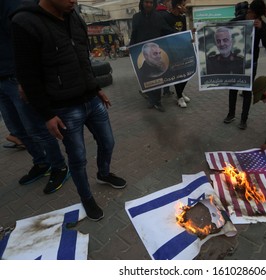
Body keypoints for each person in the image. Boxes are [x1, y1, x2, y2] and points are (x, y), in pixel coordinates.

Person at [11, 0, 127, 221]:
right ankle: (86, 197)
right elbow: (28, 76)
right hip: (64, 109)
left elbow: (83, 59)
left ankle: (103, 174)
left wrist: (97, 88)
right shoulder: (25, 22)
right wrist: (46, 114)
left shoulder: (73, 15)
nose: (73, 0)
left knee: (108, 142)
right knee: (78, 158)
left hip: (91, 99)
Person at [1, 0, 69, 194]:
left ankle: (59, 166)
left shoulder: (11, 5)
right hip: (1, 80)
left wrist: (24, 80)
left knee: (36, 129)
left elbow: (22, 45)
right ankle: (41, 162)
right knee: (17, 130)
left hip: (15, 78)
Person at [223, 0, 266, 130]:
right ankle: (231, 114)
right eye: (249, 11)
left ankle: (243, 119)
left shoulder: (261, 24)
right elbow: (224, 27)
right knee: (233, 89)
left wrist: (261, 28)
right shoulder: (241, 18)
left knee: (246, 92)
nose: (248, 14)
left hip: (251, 63)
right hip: (236, 61)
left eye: (252, 13)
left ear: (258, 15)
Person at [130, 0, 175, 112]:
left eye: (151, 2)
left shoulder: (158, 17)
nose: (148, 4)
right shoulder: (136, 17)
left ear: (154, 4)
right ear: (142, 3)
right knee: (146, 76)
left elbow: (167, 30)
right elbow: (134, 34)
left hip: (155, 52)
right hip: (143, 53)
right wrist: (131, 48)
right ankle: (151, 99)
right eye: (146, 2)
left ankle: (158, 101)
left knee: (158, 77)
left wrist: (183, 36)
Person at [162, 0, 191, 108]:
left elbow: (185, 33)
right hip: (171, 51)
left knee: (187, 72)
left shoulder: (183, 18)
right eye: (183, 5)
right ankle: (179, 97)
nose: (185, 7)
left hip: (182, 50)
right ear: (178, 6)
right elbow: (165, 31)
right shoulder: (166, 17)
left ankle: (180, 92)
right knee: (177, 74)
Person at [156, 0, 175, 97]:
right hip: (167, 47)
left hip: (155, 47)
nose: (170, 4)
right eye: (169, 2)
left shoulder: (153, 14)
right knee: (167, 69)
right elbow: (169, 30)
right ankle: (166, 90)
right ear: (166, 2)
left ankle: (156, 92)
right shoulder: (167, 15)